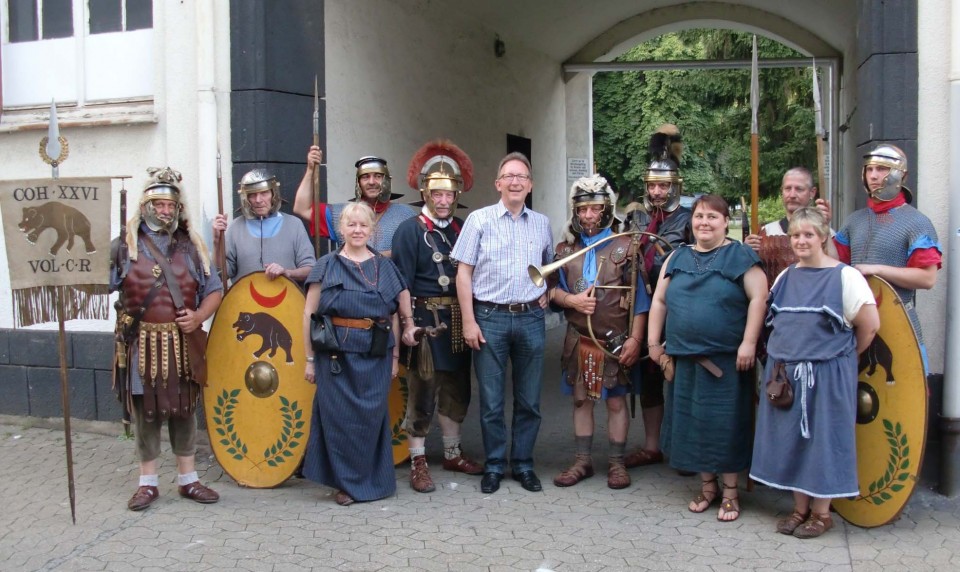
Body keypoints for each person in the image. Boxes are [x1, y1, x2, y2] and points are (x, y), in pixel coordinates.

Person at [750, 207, 879, 538]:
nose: (801, 241)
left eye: (809, 234)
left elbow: (869, 327)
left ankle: (822, 514)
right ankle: (799, 509)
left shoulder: (845, 277)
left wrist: (838, 360)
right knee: (793, 440)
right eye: (795, 235)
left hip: (828, 376)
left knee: (822, 442)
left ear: (823, 237)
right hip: (786, 376)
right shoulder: (786, 276)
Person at [648, 194, 767, 522]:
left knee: (725, 426)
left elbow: (759, 299)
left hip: (726, 363)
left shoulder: (741, 256)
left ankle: (730, 493)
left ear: (726, 221)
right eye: (699, 216)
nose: (704, 222)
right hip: (683, 360)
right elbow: (659, 302)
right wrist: (653, 344)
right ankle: (707, 487)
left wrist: (748, 342)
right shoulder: (676, 258)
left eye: (713, 217)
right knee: (694, 426)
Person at [111, 167, 223, 511]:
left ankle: (188, 480)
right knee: (146, 410)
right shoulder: (123, 246)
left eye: (170, 206)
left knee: (183, 410)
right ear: (146, 205)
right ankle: (147, 484)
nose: (165, 211)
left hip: (181, 343)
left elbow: (215, 290)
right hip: (141, 343)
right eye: (158, 204)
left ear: (178, 209)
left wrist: (199, 317)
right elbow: (100, 284)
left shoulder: (192, 247)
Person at [451, 152, 554, 494]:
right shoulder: (478, 221)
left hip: (530, 319)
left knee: (529, 401)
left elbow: (547, 268)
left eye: (521, 177)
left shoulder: (542, 223)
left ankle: (523, 464)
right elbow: (463, 273)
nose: (515, 181)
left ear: (530, 185)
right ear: (498, 184)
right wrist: (469, 320)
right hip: (489, 317)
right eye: (508, 176)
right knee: (492, 401)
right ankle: (494, 465)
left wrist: (546, 291)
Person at [301, 202, 415, 506]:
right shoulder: (326, 265)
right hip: (334, 358)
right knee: (339, 421)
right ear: (341, 229)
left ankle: (371, 482)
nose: (357, 230)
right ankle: (345, 484)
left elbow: (396, 312)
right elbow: (309, 314)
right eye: (351, 225)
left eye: (363, 225)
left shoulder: (384, 267)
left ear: (372, 230)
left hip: (374, 356)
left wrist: (394, 358)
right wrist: (309, 359)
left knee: (369, 420)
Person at [392, 140, 484, 493]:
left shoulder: (463, 228)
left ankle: (451, 453)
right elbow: (401, 283)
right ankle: (418, 461)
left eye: (449, 195)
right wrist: (408, 325)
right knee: (421, 392)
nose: (444, 201)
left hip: (458, 322)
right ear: (425, 192)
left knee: (456, 390)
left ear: (457, 194)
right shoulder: (409, 230)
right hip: (424, 322)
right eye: (437, 194)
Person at [549, 174, 651, 490]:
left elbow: (641, 302)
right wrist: (571, 300)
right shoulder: (565, 251)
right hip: (578, 339)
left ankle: (617, 464)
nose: (589, 216)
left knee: (617, 402)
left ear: (606, 209)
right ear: (575, 212)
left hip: (615, 341)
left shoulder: (626, 246)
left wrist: (636, 338)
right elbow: (550, 293)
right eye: (583, 210)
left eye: (595, 208)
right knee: (581, 401)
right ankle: (582, 461)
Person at [832, 144, 942, 371]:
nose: (873, 175)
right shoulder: (854, 221)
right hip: (857, 321)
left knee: (905, 398)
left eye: (881, 169)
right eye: (869, 169)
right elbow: (836, 264)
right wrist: (823, 233)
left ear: (900, 174)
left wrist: (877, 269)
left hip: (898, 320)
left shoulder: (916, 223)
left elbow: (927, 279)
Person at [622, 124, 693, 469]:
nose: (658, 191)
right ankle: (652, 446)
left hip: (679, 310)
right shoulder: (636, 217)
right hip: (644, 310)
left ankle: (684, 447)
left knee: (679, 378)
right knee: (649, 378)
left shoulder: (691, 219)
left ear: (675, 186)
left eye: (664, 185)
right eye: (653, 185)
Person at [293, 147, 416, 256]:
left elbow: (416, 251)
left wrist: (379, 256)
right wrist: (310, 169)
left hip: (390, 280)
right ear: (358, 183)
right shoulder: (343, 214)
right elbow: (302, 208)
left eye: (378, 176)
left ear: (386, 181)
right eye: (365, 177)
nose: (372, 182)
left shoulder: (405, 215)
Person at [212, 168, 315, 283]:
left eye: (264, 193)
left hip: (287, 299)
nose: (258, 200)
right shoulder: (236, 227)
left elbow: (311, 270)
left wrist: (287, 272)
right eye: (252, 195)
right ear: (246, 198)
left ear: (273, 194)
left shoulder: (294, 225)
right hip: (245, 300)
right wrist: (217, 242)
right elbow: (220, 275)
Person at [743, 167, 833, 286]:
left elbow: (834, 267)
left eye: (799, 189)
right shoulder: (765, 232)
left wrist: (824, 225)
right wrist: (746, 251)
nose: (792, 195)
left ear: (812, 192)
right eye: (788, 188)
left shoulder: (826, 234)